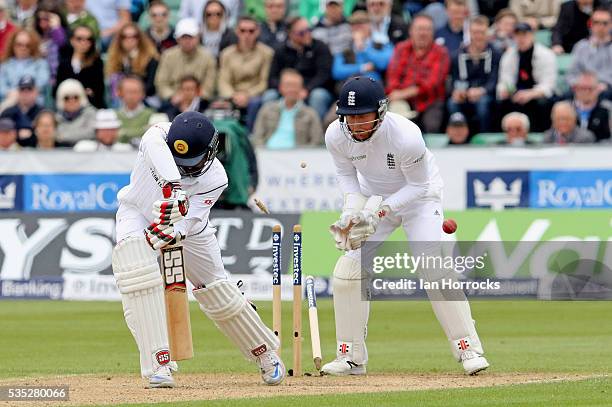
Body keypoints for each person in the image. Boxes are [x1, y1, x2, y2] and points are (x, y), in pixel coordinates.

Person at [322, 76, 489, 376]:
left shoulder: (406, 135)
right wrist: (351, 213)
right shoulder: (336, 134)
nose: (356, 124)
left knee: (433, 266)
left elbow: (418, 185)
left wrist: (380, 212)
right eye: (349, 117)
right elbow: (347, 178)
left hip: (419, 198)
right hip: (373, 198)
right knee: (346, 273)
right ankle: (351, 357)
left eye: (362, 115)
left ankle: (468, 348)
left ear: (380, 111)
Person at [111, 110, 285, 388]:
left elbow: (191, 221)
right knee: (135, 276)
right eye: (181, 163)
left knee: (217, 289)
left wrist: (173, 229)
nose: (186, 169)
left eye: (192, 164)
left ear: (211, 151)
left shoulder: (216, 177)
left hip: (190, 229)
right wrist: (174, 189)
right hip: (138, 212)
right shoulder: (155, 137)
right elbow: (167, 169)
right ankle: (159, 364)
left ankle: (266, 354)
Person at [386, 14, 450, 133]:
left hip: (430, 101)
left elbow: (432, 83)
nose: (423, 33)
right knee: (398, 127)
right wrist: (397, 93)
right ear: (411, 31)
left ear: (433, 33)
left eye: (427, 29)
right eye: (419, 29)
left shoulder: (441, 52)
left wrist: (402, 93)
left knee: (431, 127)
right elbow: (392, 77)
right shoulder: (401, 49)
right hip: (404, 101)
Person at [266, 17, 334, 119]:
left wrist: (306, 89)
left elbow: (324, 75)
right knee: (269, 96)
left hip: (312, 89)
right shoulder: (280, 50)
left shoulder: (320, 47)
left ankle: (317, 133)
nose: (307, 35)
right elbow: (272, 78)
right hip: (286, 89)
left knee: (318, 96)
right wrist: (285, 89)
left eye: (309, 30)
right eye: (302, 33)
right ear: (290, 34)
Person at [496, 22, 556, 132]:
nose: (521, 38)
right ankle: (506, 134)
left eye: (524, 34)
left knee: (543, 103)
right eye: (518, 35)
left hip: (537, 94)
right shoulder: (509, 55)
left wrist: (530, 94)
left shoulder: (546, 54)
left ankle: (541, 134)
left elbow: (548, 85)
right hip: (517, 93)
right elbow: (505, 79)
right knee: (501, 102)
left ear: (532, 35)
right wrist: (506, 90)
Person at [218, 16, 274, 131]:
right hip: (232, 95)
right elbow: (223, 81)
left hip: (255, 95)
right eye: (243, 30)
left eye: (251, 31)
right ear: (237, 31)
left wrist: (247, 95)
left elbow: (263, 82)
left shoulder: (267, 53)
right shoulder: (226, 54)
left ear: (257, 32)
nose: (247, 34)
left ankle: (250, 138)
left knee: (255, 103)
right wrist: (233, 95)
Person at [448, 15, 500, 133]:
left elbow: (494, 80)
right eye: (475, 32)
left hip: (486, 94)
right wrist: (456, 92)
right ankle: (457, 138)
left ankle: (484, 136)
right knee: (452, 103)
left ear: (487, 33)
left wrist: (481, 91)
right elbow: (452, 79)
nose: (478, 36)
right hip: (464, 93)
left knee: (483, 103)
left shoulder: (496, 54)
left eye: (482, 32)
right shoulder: (457, 55)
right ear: (469, 33)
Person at [253, 68, 323, 148]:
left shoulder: (311, 113)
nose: (291, 89)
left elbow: (317, 142)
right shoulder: (267, 109)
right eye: (288, 85)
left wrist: (304, 155)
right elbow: (257, 137)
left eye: (295, 85)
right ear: (280, 88)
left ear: (301, 89)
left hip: (298, 156)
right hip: (268, 154)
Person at [155, 18, 217, 104]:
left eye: (190, 37)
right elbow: (161, 83)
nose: (187, 41)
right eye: (183, 37)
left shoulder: (208, 57)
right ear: (177, 39)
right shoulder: (168, 56)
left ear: (198, 37)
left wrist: (195, 98)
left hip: (200, 100)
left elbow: (209, 85)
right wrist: (172, 96)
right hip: (174, 100)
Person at [332, 10, 394, 83]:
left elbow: (384, 63)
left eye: (362, 23)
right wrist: (362, 68)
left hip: (373, 86)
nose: (358, 26)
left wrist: (364, 48)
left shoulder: (381, 43)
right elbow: (337, 71)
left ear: (370, 25)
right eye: (354, 23)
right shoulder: (345, 47)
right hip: (350, 87)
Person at [106, 22, 159, 106]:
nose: (129, 40)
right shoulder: (114, 58)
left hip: (145, 98)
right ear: (120, 39)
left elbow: (151, 86)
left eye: (134, 36)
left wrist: (132, 94)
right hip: (120, 99)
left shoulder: (150, 58)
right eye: (125, 37)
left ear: (139, 38)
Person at [55, 25, 106, 108]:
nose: (84, 42)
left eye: (88, 39)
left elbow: (98, 92)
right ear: (72, 40)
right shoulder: (64, 63)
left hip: (92, 107)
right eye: (79, 39)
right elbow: (56, 90)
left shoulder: (97, 63)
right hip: (67, 108)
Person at [565, 7, 611, 97]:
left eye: (605, 23)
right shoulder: (581, 46)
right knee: (558, 100)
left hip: (606, 89)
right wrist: (581, 84)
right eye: (596, 22)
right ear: (591, 24)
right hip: (581, 88)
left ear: (611, 24)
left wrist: (600, 85)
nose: (600, 26)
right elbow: (571, 74)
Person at [0, 29, 50, 106]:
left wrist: (25, 94)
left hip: (34, 103)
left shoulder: (40, 64)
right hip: (10, 102)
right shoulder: (5, 65)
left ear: (32, 46)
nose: (23, 48)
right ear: (13, 45)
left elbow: (42, 83)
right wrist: (13, 93)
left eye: (27, 45)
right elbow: (1, 87)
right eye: (19, 44)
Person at [0, 75, 43, 147]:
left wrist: (32, 134)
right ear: (17, 91)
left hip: (38, 152)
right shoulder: (8, 112)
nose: (25, 92)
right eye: (22, 89)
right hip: (10, 153)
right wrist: (16, 134)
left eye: (29, 89)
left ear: (36, 92)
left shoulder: (42, 113)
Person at [569, 72, 611, 141]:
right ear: (575, 89)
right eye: (582, 88)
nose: (586, 92)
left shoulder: (608, 109)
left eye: (590, 89)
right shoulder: (566, 109)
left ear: (598, 89)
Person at [55, 78, 97, 146]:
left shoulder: (91, 113)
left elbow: (91, 133)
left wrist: (63, 136)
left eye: (76, 97)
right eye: (67, 98)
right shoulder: (57, 117)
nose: (72, 101)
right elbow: (53, 135)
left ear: (82, 97)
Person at [115, 75, 155, 144]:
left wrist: (123, 133)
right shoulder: (114, 115)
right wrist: (142, 130)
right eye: (128, 92)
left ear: (143, 94)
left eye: (135, 92)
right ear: (120, 93)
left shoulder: (152, 114)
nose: (132, 96)